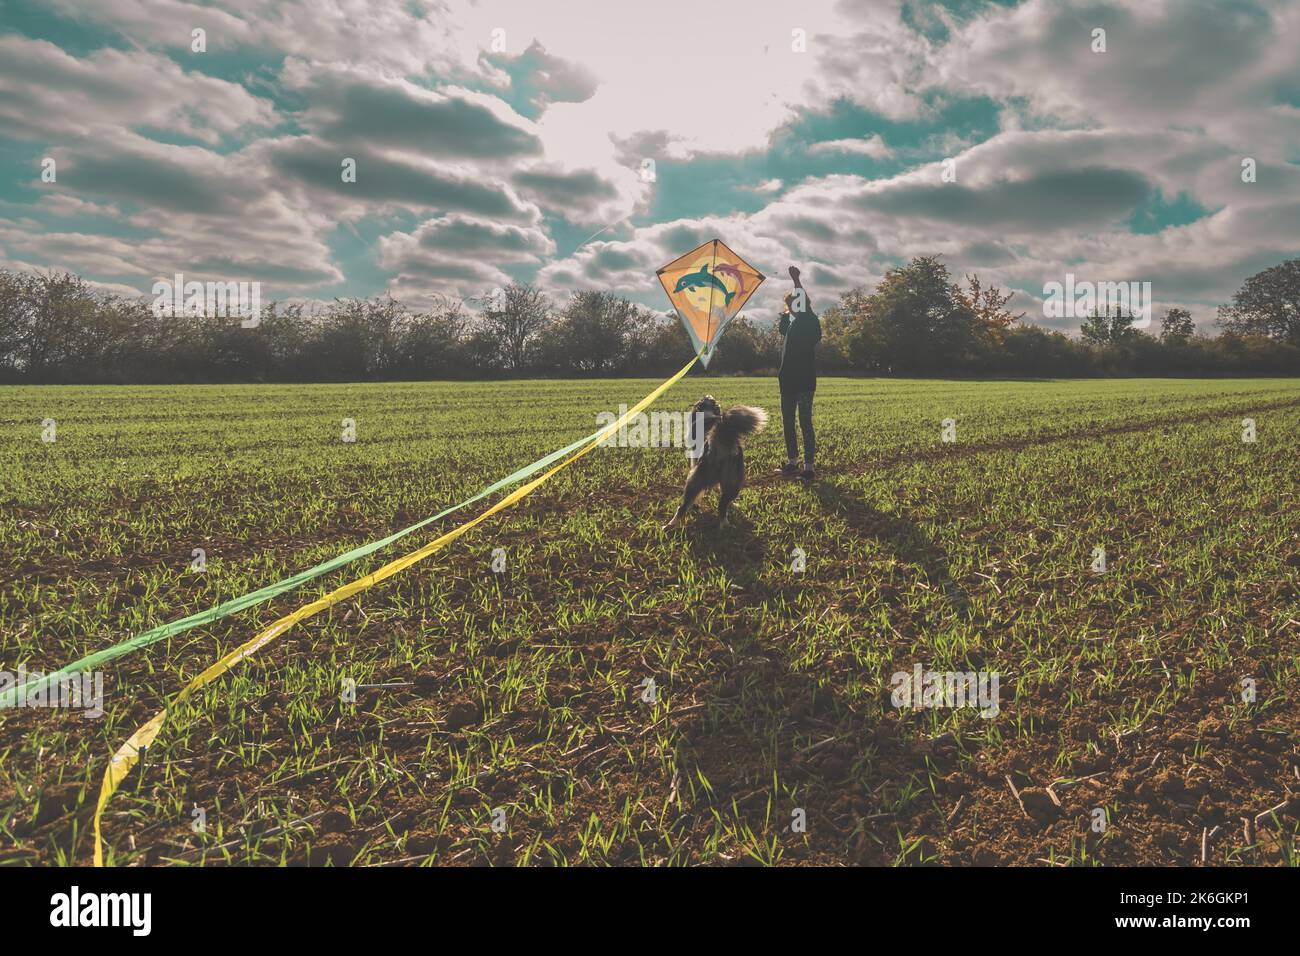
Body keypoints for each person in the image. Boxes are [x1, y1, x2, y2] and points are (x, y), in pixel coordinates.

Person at [777, 265, 821, 480]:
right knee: (787, 421)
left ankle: (809, 467)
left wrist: (795, 279)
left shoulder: (809, 321)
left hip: (804, 381)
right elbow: (782, 330)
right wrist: (786, 313)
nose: (792, 308)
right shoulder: (794, 325)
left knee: (805, 422)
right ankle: (793, 462)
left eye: (793, 305)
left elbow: (802, 302)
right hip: (787, 382)